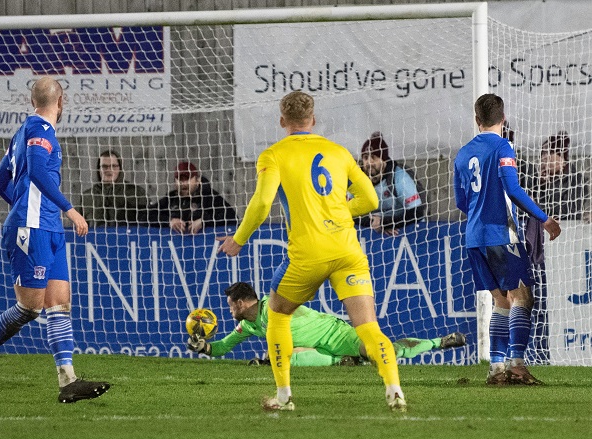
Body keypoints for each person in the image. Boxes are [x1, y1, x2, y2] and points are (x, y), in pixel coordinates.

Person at [218, 91, 406, 412]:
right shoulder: (338, 152)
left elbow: (262, 203)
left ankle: (284, 397)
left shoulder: (273, 155)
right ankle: (394, 389)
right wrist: (342, 211)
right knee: (368, 327)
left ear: (282, 121)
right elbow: (371, 202)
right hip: (347, 248)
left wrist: (239, 238)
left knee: (276, 315)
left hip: (308, 253)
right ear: (313, 119)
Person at [0, 77, 110, 403]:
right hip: (33, 228)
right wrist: (69, 210)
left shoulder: (22, 133)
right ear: (62, 101)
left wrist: (27, 205)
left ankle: (67, 380)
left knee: (59, 303)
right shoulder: (39, 131)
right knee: (31, 307)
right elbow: (39, 172)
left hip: (46, 227)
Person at [453, 93, 561, 386]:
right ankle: (516, 365)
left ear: (477, 120)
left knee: (501, 301)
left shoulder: (462, 154)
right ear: (503, 119)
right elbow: (512, 189)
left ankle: (496, 368)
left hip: (474, 237)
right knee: (523, 297)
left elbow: (461, 201)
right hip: (501, 233)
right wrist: (544, 218)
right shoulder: (503, 146)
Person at [186, 282, 466, 366]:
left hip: (335, 333)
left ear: (241, 304)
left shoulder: (276, 306)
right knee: (277, 357)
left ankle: (437, 342)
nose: (228, 310)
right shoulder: (247, 326)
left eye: (230, 305)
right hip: (312, 348)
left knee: (382, 352)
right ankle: (340, 361)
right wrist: (205, 347)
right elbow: (223, 347)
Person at [522, 132, 590, 363]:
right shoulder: (533, 181)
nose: (544, 160)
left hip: (567, 257)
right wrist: (540, 184)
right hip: (542, 256)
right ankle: (539, 353)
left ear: (562, 158)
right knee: (539, 304)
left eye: (548, 155)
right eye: (542, 156)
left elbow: (569, 211)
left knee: (564, 306)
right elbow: (527, 208)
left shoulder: (575, 180)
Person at [357, 131, 426, 236]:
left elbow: (417, 212)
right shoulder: (358, 180)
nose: (369, 162)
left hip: (406, 231)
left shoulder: (399, 177)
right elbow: (346, 214)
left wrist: (385, 223)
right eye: (366, 158)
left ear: (384, 160)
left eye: (374, 157)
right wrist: (377, 224)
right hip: (377, 232)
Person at [152, 161, 237, 234]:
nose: (184, 183)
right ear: (175, 182)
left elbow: (231, 217)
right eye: (180, 180)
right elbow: (146, 215)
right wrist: (169, 221)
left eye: (187, 179)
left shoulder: (209, 196)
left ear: (197, 180)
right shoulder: (171, 198)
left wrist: (204, 221)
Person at [76, 150, 150, 227]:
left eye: (114, 166)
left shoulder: (136, 193)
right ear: (99, 169)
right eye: (104, 166)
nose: (109, 170)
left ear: (119, 168)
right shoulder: (87, 196)